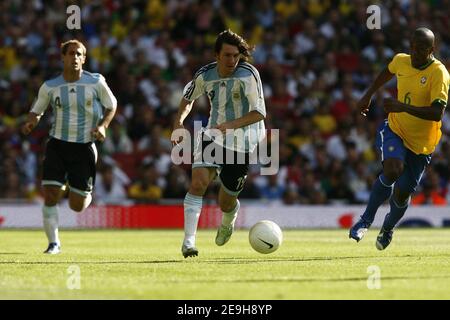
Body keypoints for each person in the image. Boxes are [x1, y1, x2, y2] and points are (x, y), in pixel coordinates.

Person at [349, 28, 449, 250]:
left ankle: (387, 228)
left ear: (431, 49)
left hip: (422, 143)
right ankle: (365, 221)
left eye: (421, 48)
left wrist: (402, 106)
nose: (415, 52)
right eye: (412, 46)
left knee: (403, 193)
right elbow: (386, 72)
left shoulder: (439, 73)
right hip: (395, 128)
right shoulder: (401, 60)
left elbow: (437, 113)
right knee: (392, 169)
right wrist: (368, 95)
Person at [171, 29, 266, 258]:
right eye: (227, 55)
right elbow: (187, 99)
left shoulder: (249, 74)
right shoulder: (205, 75)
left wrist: (232, 125)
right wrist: (179, 122)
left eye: (236, 55)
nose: (232, 60)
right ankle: (189, 243)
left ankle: (228, 218)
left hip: (243, 141)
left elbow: (259, 113)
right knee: (198, 184)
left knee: (225, 202)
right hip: (214, 135)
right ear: (217, 55)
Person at [22, 39, 117, 254]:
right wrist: (31, 122)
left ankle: (81, 191)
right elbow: (37, 110)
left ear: (84, 59)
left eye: (78, 54)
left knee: (77, 205)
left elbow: (112, 105)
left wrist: (103, 126)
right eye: (70, 53)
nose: (74, 57)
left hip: (84, 148)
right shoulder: (50, 86)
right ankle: (53, 243)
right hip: (57, 145)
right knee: (50, 194)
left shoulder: (96, 82)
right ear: (62, 57)